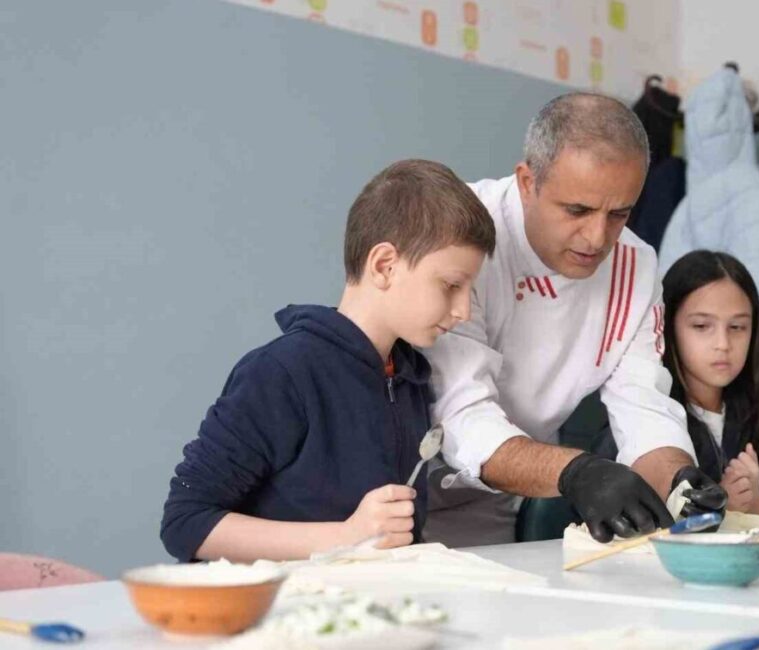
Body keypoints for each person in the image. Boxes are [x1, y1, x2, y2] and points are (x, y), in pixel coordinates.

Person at [421, 93, 726, 547]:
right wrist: (576, 471)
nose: (597, 238)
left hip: (501, 494)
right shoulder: (462, 233)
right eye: (577, 211)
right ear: (527, 182)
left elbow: (643, 405)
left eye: (620, 213)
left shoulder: (634, 267)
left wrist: (679, 480)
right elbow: (460, 413)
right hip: (396, 484)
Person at [159, 160, 495, 562]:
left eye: (468, 292)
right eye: (451, 285)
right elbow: (185, 523)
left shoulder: (410, 377)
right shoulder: (282, 373)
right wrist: (346, 536)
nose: (464, 311)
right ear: (384, 266)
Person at [660, 251, 759, 517]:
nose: (723, 344)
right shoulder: (647, 418)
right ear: (668, 327)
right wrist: (720, 510)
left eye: (737, 327)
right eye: (702, 326)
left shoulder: (753, 411)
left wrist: (755, 504)